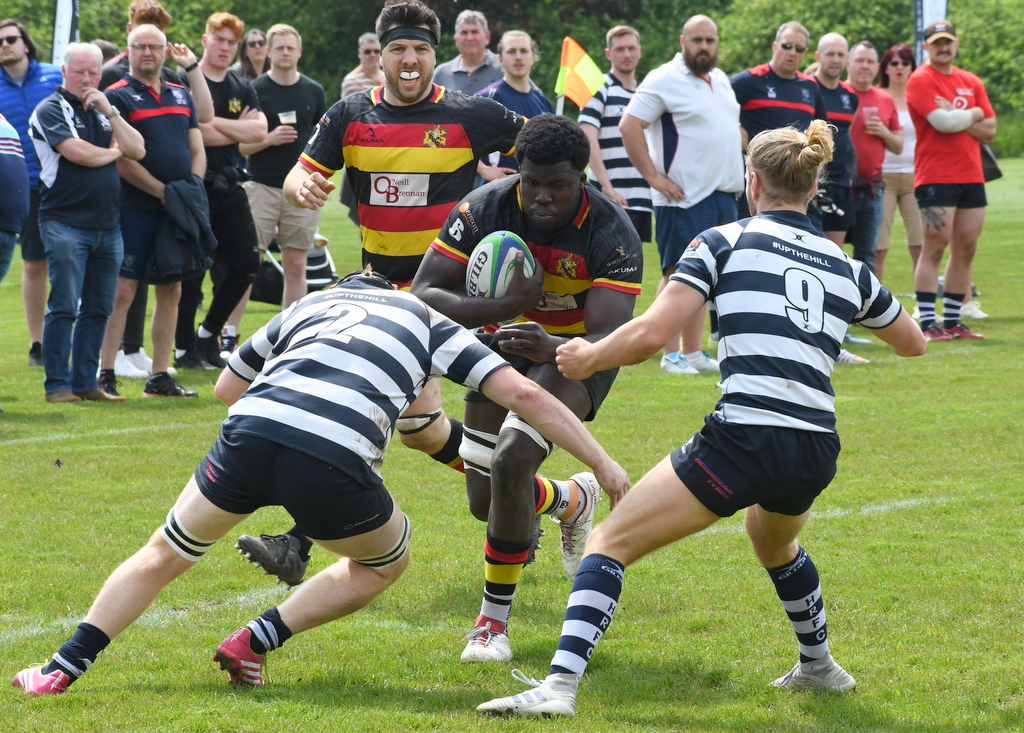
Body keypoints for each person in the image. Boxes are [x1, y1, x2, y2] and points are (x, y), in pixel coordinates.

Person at [476, 119, 928, 719]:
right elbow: (914, 344)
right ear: (813, 187)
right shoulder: (848, 267)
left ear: (752, 182)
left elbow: (651, 333)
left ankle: (558, 688)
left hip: (745, 435)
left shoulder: (723, 242)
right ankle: (820, 666)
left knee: (608, 542)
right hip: (816, 444)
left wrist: (585, 357)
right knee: (773, 540)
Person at [11, 267, 629, 696]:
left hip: (248, 434)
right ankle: (255, 640)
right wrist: (602, 462)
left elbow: (226, 388)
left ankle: (61, 667)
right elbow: (525, 395)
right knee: (385, 561)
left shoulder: (307, 305)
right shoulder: (425, 318)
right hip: (331, 459)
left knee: (163, 553)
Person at [232, 0, 524, 590]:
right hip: (375, 288)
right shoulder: (350, 114)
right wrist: (301, 184)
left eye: (420, 49)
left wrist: (513, 196)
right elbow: (298, 172)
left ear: (434, 56)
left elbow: (542, 156)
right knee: (421, 431)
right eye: (398, 49)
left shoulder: (471, 114)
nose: (409, 59)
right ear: (381, 56)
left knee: (357, 404)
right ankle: (548, 497)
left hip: (440, 296)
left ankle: (296, 541)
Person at [411, 114, 643, 663]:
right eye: (530, 181)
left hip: (578, 356)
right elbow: (424, 293)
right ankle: (571, 499)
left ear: (582, 178)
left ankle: (491, 625)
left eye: (557, 185)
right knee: (486, 500)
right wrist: (506, 307)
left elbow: (609, 336)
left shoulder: (611, 232)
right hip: (503, 342)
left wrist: (554, 346)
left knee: (514, 459)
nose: (541, 196)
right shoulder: (484, 207)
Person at [619, 15, 741, 376]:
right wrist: (653, 177)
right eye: (697, 40)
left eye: (710, 40)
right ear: (682, 41)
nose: (704, 46)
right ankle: (669, 354)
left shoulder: (721, 79)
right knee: (679, 274)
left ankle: (693, 352)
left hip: (723, 194)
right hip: (683, 197)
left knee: (707, 276)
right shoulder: (664, 77)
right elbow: (630, 125)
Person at [98, 0, 214, 381]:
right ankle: (106, 370)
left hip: (178, 206)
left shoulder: (180, 91)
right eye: (140, 47)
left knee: (172, 290)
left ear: (166, 51)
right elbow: (120, 158)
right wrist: (164, 192)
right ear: (128, 49)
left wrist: (192, 187)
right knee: (122, 290)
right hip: (135, 206)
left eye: (154, 47)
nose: (147, 53)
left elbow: (196, 147)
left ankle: (160, 376)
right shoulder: (116, 94)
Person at [29, 43, 146, 404]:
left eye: (93, 73)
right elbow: (77, 153)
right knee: (64, 305)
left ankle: (85, 383)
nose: (86, 79)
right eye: (79, 72)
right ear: (64, 72)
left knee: (98, 309)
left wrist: (111, 111)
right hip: (64, 223)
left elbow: (137, 149)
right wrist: (113, 152)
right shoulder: (50, 108)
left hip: (108, 225)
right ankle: (57, 386)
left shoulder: (102, 109)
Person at [174, 13, 266, 371]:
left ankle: (207, 333)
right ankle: (184, 349)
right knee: (193, 274)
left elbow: (259, 132)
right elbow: (192, 134)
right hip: (196, 187)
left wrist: (212, 124)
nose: (225, 47)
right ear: (205, 40)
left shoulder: (241, 85)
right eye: (219, 39)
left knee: (248, 265)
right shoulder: (183, 80)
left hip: (231, 185)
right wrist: (233, 129)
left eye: (232, 42)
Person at [228, 23, 327, 338]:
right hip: (260, 187)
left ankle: (290, 337)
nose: (285, 53)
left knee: (296, 266)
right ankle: (228, 337)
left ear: (299, 52)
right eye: (279, 48)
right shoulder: (254, 90)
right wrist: (268, 139)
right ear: (269, 52)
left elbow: (323, 143)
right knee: (248, 265)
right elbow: (239, 147)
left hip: (302, 187)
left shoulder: (314, 90)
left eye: (290, 48)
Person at [906, 20, 995, 341]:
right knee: (935, 246)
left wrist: (961, 118)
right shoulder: (921, 79)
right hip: (936, 176)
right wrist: (974, 113)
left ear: (956, 44)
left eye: (948, 42)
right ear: (926, 47)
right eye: (937, 43)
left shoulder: (971, 80)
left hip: (971, 175)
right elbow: (942, 123)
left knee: (966, 247)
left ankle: (955, 321)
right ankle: (929, 323)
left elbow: (991, 130)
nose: (943, 48)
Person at [0, 19, 62, 367]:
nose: (5, 45)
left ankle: (70, 338)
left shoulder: (53, 75)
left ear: (25, 43)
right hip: (23, 188)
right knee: (34, 264)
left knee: (73, 262)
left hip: (65, 184)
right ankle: (37, 343)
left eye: (11, 38)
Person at [578, 26, 653, 243]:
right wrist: (606, 186)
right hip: (610, 197)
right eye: (620, 49)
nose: (627, 54)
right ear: (608, 54)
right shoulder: (599, 87)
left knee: (635, 260)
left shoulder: (646, 93)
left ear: (640, 51)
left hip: (641, 198)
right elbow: (587, 136)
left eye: (631, 48)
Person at [845, 41, 902, 275]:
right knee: (831, 250)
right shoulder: (837, 92)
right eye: (859, 60)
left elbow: (898, 146)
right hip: (840, 186)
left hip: (873, 188)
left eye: (870, 62)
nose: (864, 66)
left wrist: (884, 132)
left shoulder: (884, 99)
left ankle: (866, 299)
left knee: (867, 254)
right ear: (848, 63)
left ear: (878, 67)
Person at [476, 31, 554, 175]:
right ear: (500, 59)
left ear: (533, 57)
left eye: (524, 51)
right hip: (498, 187)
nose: (518, 57)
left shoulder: (544, 102)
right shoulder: (486, 99)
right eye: (511, 51)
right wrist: (483, 169)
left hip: (538, 187)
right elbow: (457, 139)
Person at [877, 43, 922, 285]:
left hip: (915, 175)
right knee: (879, 246)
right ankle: (874, 302)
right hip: (883, 175)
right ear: (885, 68)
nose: (899, 68)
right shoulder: (877, 96)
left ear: (912, 67)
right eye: (893, 63)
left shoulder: (918, 97)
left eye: (905, 63)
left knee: (920, 244)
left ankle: (924, 301)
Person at [810, 33, 857, 244]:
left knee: (835, 253)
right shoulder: (805, 88)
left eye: (840, 55)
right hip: (810, 184)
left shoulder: (850, 96)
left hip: (840, 185)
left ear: (847, 59)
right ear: (818, 56)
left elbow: (848, 140)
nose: (835, 60)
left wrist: (851, 175)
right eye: (830, 54)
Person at [431, 9, 502, 95]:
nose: (469, 38)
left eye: (474, 32)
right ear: (456, 40)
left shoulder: (503, 68)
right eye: (464, 33)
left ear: (487, 37)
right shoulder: (441, 74)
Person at [341, 32, 384, 97]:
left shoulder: (387, 78)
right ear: (359, 53)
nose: (373, 55)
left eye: (376, 51)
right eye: (367, 52)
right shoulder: (352, 81)